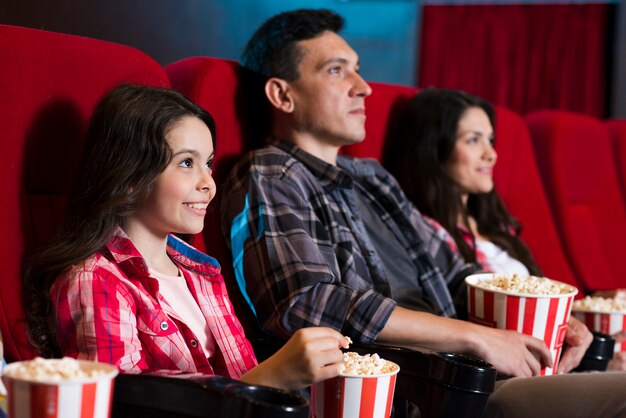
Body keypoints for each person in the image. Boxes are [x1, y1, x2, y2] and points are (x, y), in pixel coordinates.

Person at [220, 8, 626, 417]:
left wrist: (547, 322)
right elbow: (307, 302)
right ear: (282, 95)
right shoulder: (271, 172)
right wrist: (475, 338)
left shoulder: (372, 177)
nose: (363, 88)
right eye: (336, 71)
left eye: (358, 70)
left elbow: (456, 274)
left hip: (478, 378)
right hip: (416, 394)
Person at [21, 84, 348, 391]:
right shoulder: (94, 282)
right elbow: (123, 406)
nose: (209, 183)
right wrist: (272, 378)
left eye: (208, 163)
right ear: (130, 176)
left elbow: (239, 375)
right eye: (187, 163)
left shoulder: (202, 272)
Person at [384, 87, 626, 372]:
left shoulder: (497, 227)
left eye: (490, 140)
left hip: (554, 360)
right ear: (433, 148)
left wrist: (600, 331)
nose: (491, 154)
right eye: (473, 140)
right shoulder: (425, 234)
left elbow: (543, 311)